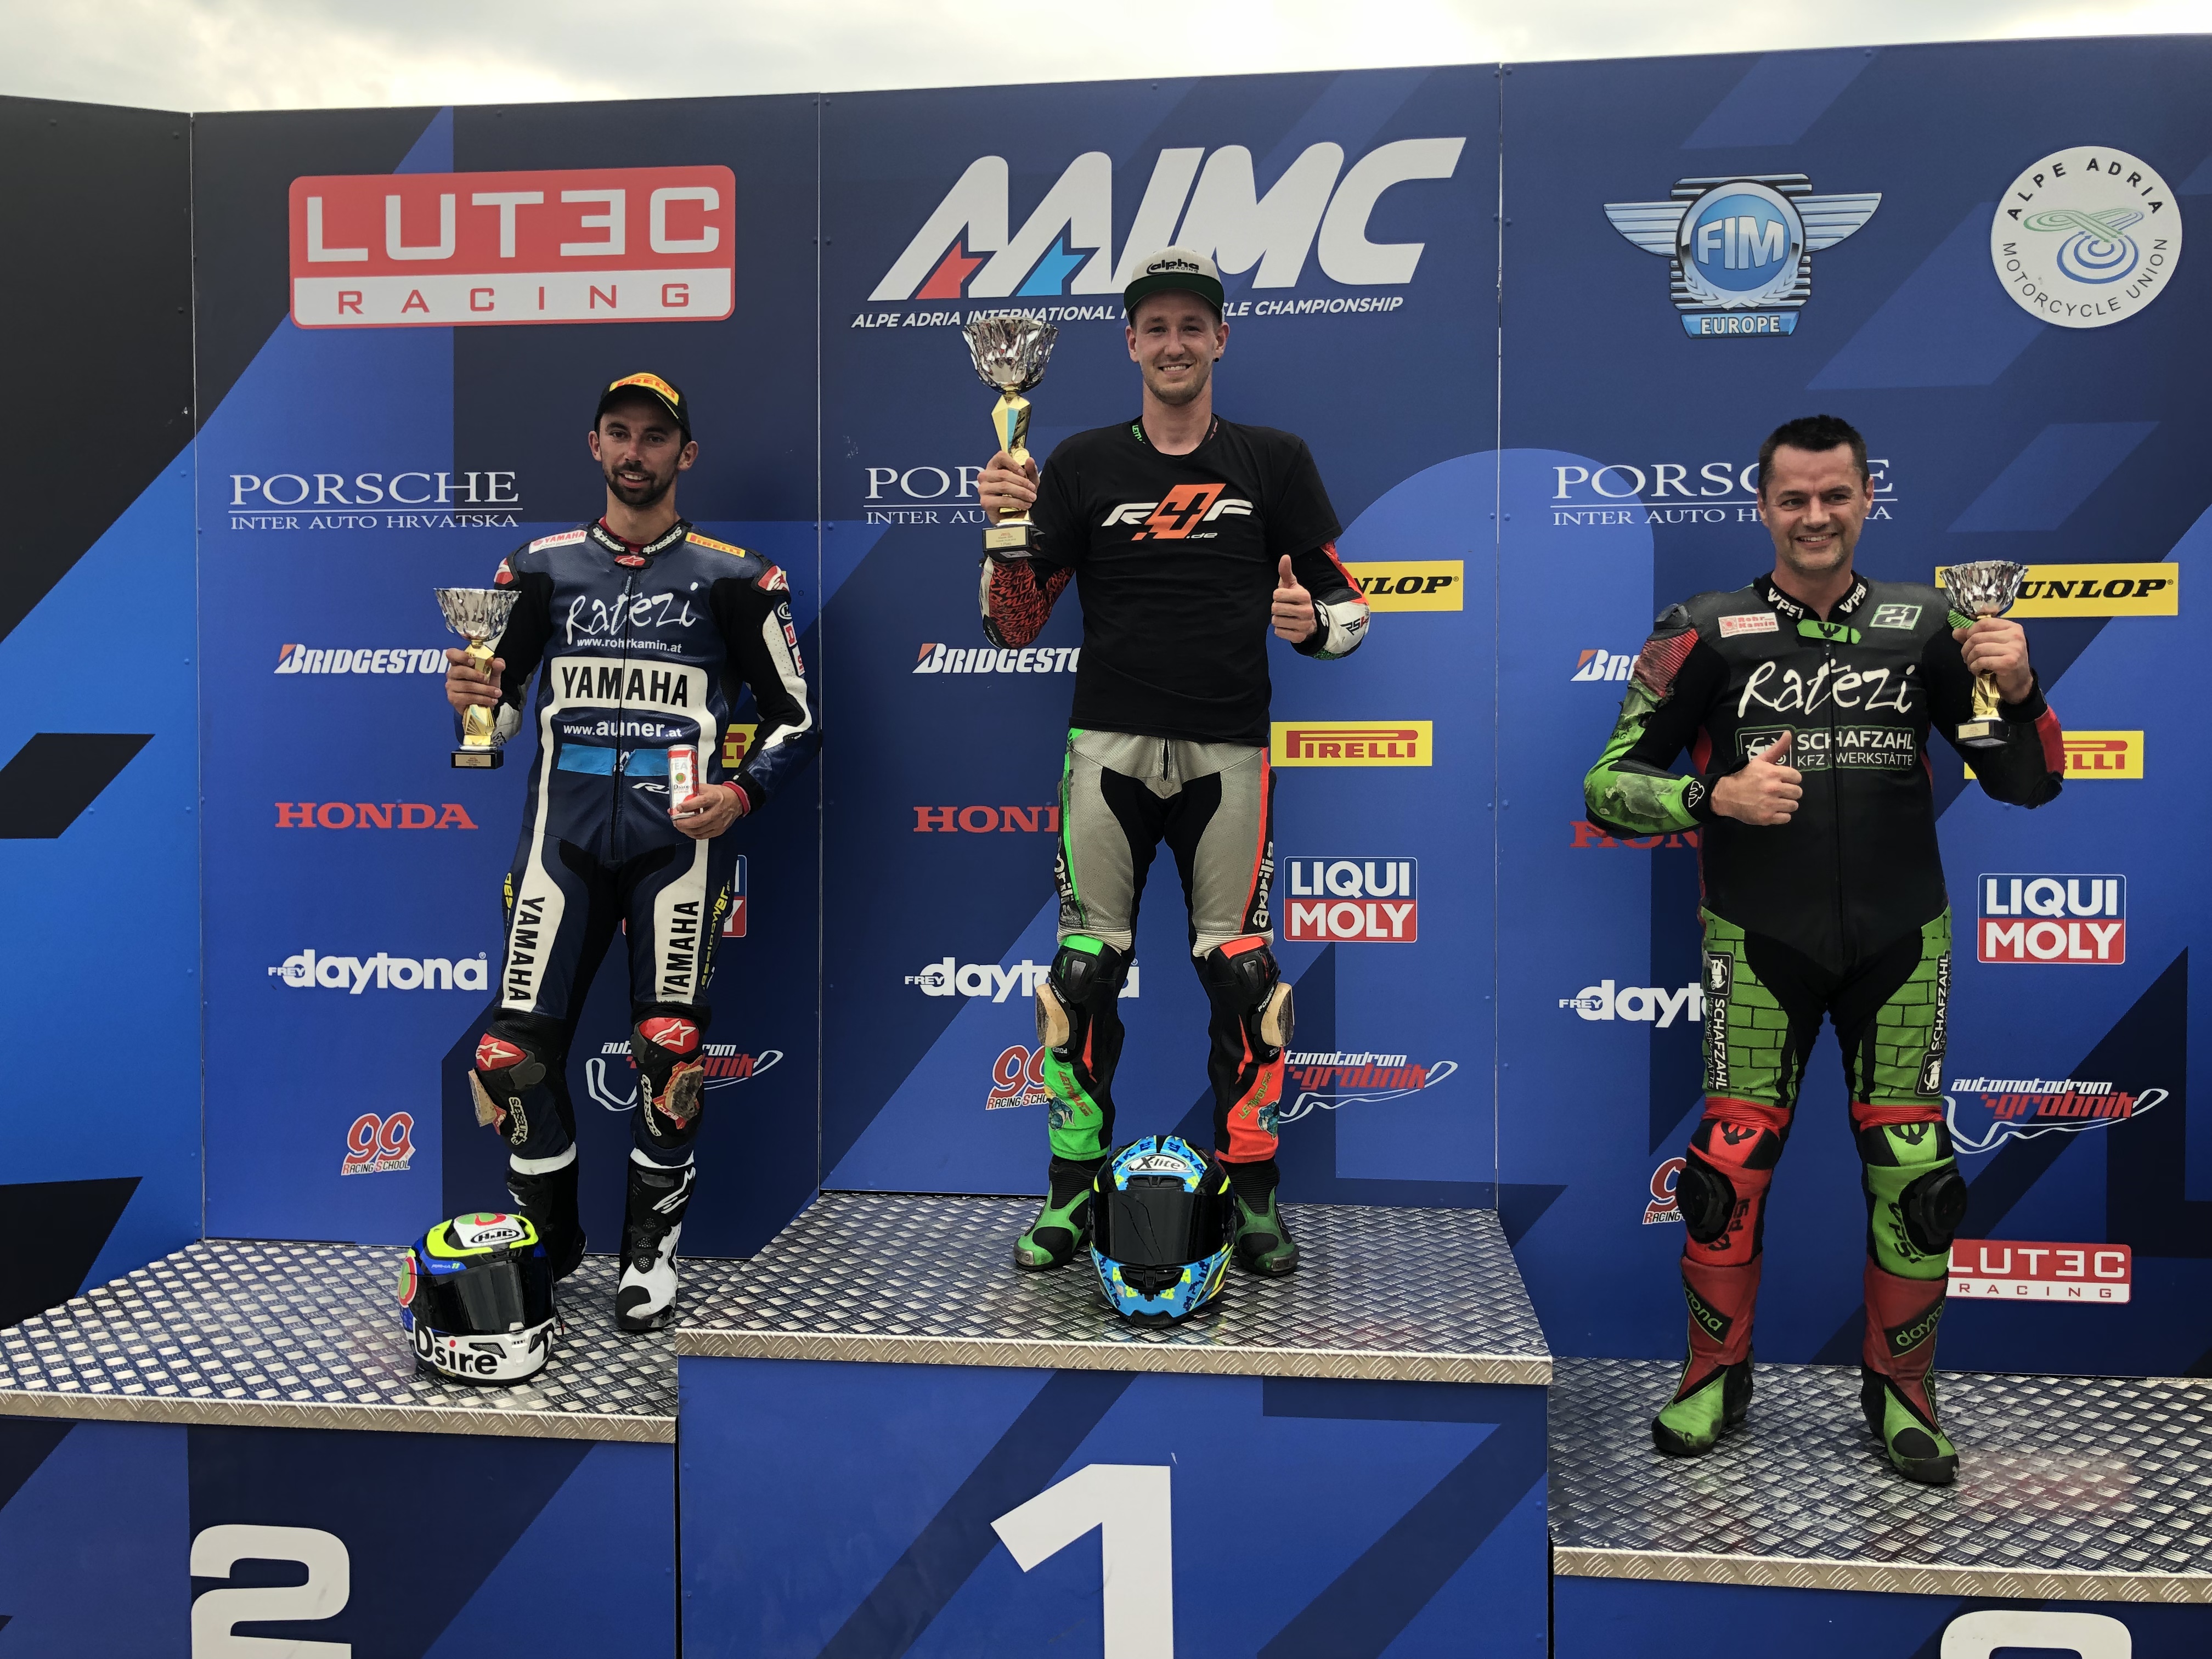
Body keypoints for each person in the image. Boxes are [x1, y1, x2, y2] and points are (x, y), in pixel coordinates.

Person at [1582, 413, 2063, 1484]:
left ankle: (1904, 1392)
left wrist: (2023, 689)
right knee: (1725, 1171)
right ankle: (1714, 1376)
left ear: (1866, 499)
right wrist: (1712, 797)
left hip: (1903, 938)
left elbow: (2026, 783)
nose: (1815, 516)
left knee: (1917, 1175)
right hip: (1758, 940)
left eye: (1835, 495)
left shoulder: (1932, 624)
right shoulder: (1700, 628)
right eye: (1794, 498)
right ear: (1762, 506)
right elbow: (1608, 785)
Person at [974, 249, 1372, 1279]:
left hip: (1227, 752)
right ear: (1131, 344)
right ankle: (1071, 1193)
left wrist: (1315, 627)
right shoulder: (1079, 465)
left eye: (1193, 325)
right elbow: (1015, 626)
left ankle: (1254, 1195)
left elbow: (1348, 609)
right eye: (1156, 327)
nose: (1175, 344)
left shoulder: (1273, 459)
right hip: (1104, 749)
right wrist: (1003, 528)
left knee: (1245, 976)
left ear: (1221, 339)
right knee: (1081, 972)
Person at [443, 371, 819, 1332]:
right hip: (559, 845)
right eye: (620, 432)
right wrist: (476, 704)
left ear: (685, 454)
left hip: (677, 851)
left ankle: (650, 1250)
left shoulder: (741, 578)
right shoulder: (535, 569)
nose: (635, 452)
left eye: (655, 437)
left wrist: (740, 793)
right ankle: (550, 1239)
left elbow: (797, 719)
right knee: (509, 1057)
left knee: (670, 1051)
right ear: (595, 445)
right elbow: (503, 709)